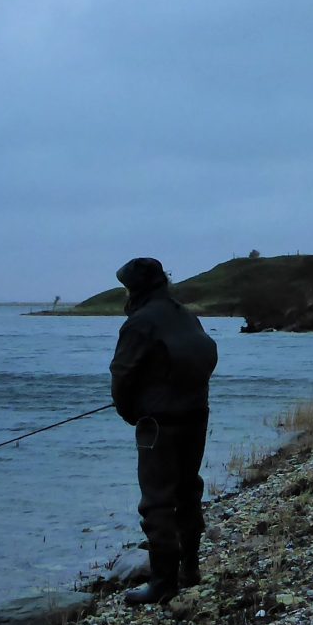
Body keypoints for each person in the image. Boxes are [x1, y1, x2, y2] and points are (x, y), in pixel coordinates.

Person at [109, 257, 218, 606]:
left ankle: (162, 583)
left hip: (159, 424)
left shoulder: (139, 323)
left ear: (134, 288)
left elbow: (122, 376)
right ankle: (189, 569)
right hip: (196, 415)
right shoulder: (185, 315)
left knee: (156, 502)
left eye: (125, 287)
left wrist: (133, 415)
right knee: (188, 489)